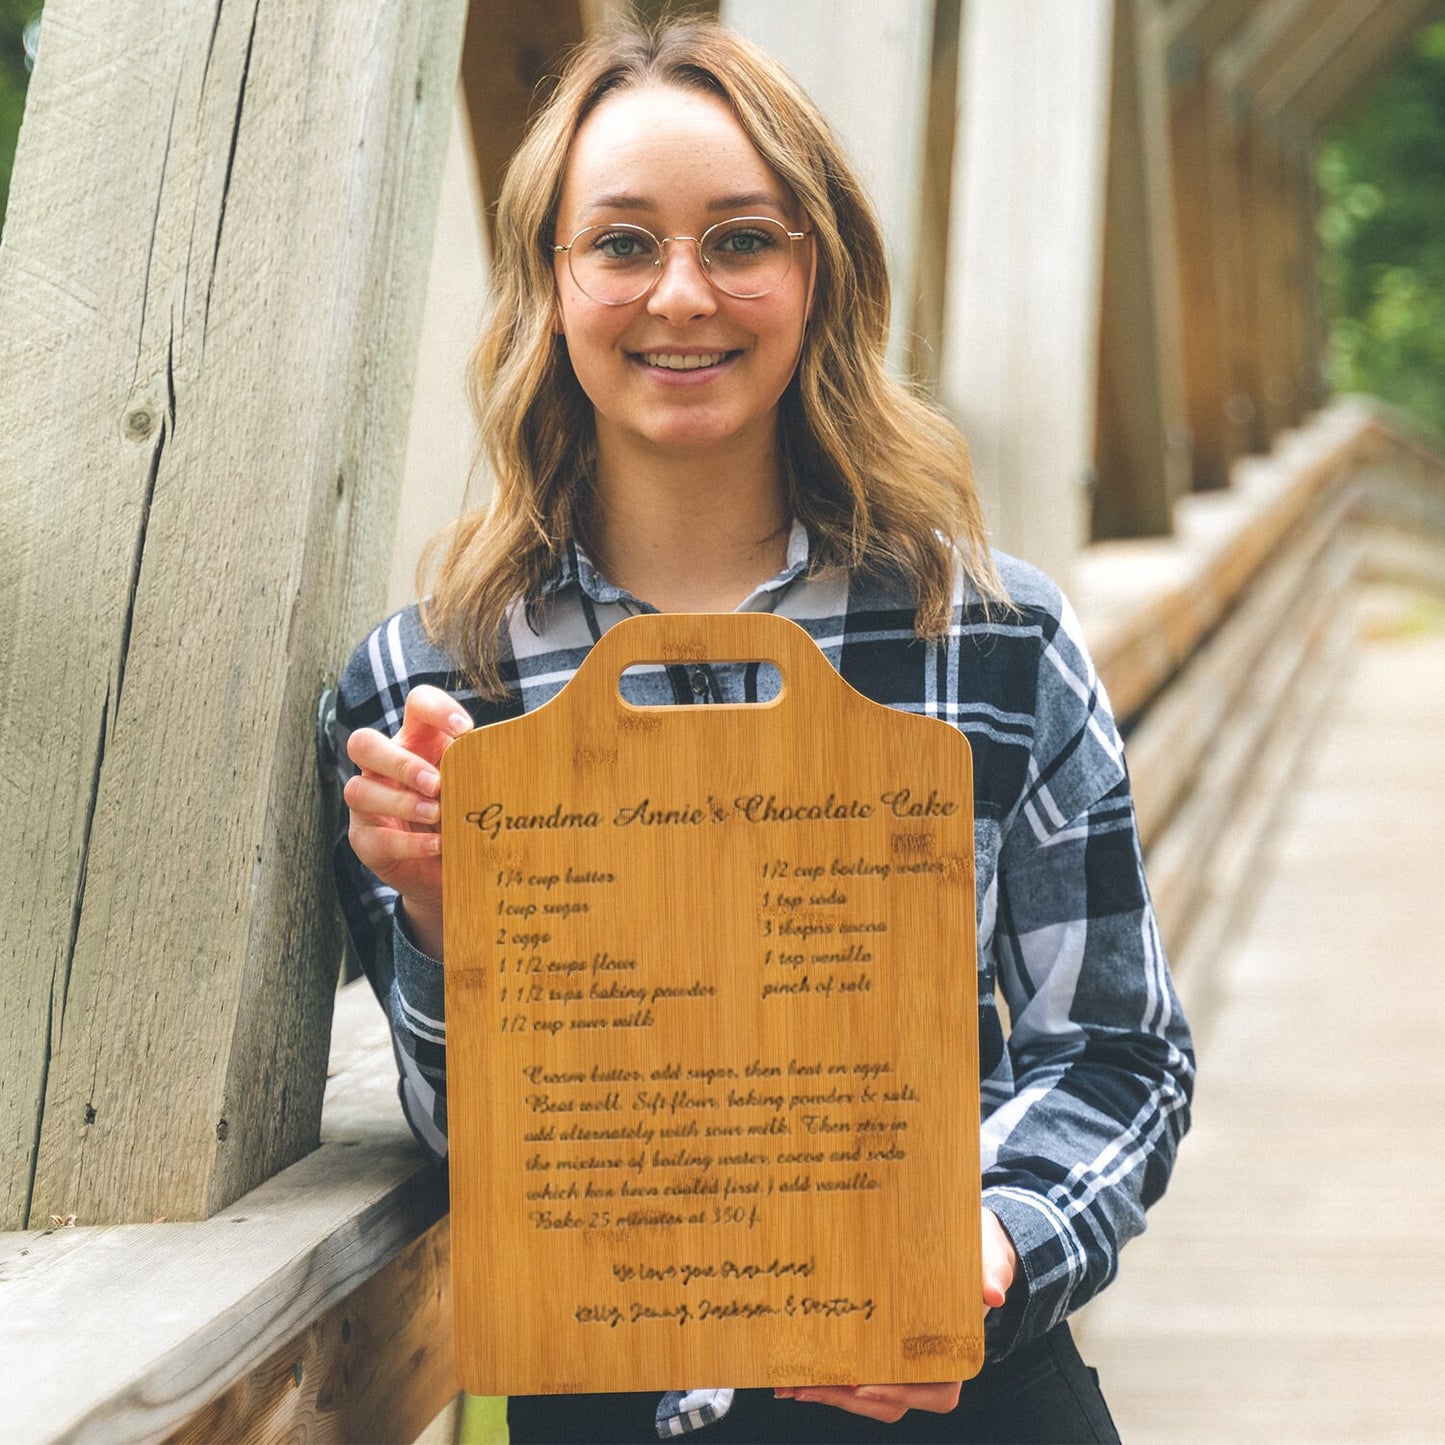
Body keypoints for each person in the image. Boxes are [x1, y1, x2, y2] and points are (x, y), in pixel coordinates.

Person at [333, 16, 1193, 1443]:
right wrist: (439, 912)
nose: (680, 294)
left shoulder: (986, 637)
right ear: (548, 284)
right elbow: (463, 1143)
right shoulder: (428, 686)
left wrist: (989, 1252)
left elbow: (1115, 1053)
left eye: (740, 239)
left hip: (948, 1394)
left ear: (818, 272)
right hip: (597, 1404)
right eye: (619, 244)